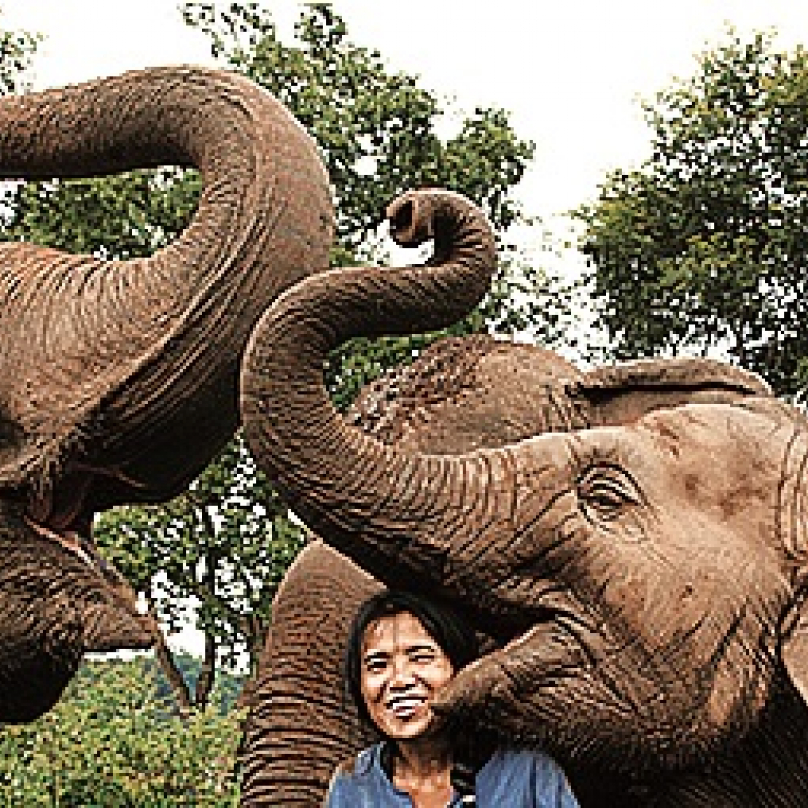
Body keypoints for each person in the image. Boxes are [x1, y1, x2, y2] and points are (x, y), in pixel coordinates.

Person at [324, 589, 580, 807]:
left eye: (421, 657)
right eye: (378, 665)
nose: (399, 680)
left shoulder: (528, 775)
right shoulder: (353, 785)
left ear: (463, 671)